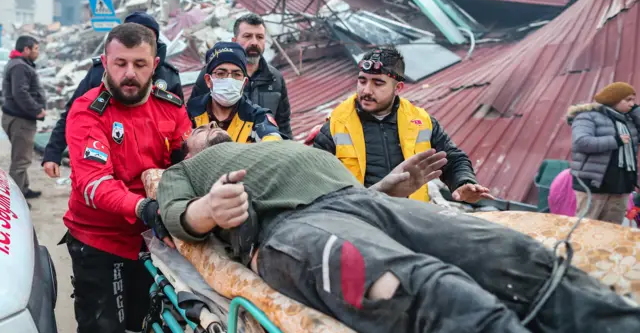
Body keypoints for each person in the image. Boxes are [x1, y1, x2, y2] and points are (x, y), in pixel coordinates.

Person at [157, 133, 640, 333]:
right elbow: (175, 215)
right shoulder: (190, 169)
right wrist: (207, 209)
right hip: (290, 228)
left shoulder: (275, 145)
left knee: (509, 251)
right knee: (422, 285)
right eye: (202, 136)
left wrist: (390, 187)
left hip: (366, 202)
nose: (212, 136)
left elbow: (347, 199)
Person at [62, 22, 192, 333]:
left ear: (155, 66)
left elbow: (188, 165)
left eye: (139, 64)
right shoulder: (88, 112)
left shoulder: (171, 109)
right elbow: (94, 184)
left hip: (154, 242)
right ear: (105, 62)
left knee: (154, 325)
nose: (129, 73)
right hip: (100, 241)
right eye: (120, 63)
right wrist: (145, 208)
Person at [313, 47, 491, 204]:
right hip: (361, 222)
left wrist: (463, 182)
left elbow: (452, 158)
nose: (366, 90)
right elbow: (317, 185)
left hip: (413, 220)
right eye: (362, 80)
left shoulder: (421, 121)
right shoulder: (335, 127)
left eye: (378, 83)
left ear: (398, 88)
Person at [42, 12, 183, 178]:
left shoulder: (169, 77)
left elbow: (179, 130)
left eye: (146, 36)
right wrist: (52, 153)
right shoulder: (99, 73)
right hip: (105, 166)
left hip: (154, 174)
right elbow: (72, 113)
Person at [192, 14, 292, 139]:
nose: (254, 42)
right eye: (247, 36)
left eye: (260, 37)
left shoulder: (275, 78)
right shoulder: (212, 75)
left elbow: (283, 125)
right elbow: (195, 114)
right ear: (234, 41)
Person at [568, 82, 640, 224]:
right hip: (595, 184)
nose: (632, 104)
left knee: (612, 230)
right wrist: (615, 140)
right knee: (586, 226)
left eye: (634, 100)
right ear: (614, 99)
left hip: (621, 186)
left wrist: (637, 111)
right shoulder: (588, 116)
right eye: (628, 100)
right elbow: (581, 142)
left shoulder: (628, 120)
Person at [186, 41, 281, 143]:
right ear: (208, 80)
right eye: (221, 73)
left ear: (244, 83)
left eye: (236, 74)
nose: (229, 80)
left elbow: (273, 143)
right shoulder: (189, 114)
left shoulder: (258, 118)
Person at [1, 35, 46, 200]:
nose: (37, 52)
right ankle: (15, 200)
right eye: (35, 49)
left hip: (17, 117)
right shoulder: (20, 66)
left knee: (22, 156)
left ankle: (23, 190)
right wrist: (37, 110)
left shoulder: (19, 64)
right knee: (20, 161)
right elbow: (20, 93)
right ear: (26, 49)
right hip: (20, 120)